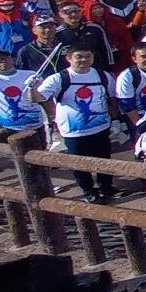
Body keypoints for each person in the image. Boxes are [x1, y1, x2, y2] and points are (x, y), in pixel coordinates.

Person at [31, 46, 117, 201]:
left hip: (101, 127)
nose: (83, 60)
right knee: (79, 164)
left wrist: (116, 121)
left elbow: (111, 99)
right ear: (69, 58)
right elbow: (37, 98)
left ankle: (107, 187)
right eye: (79, 56)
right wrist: (32, 87)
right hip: (73, 131)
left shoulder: (103, 76)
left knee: (104, 160)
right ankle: (89, 191)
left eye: (88, 56)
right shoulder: (58, 78)